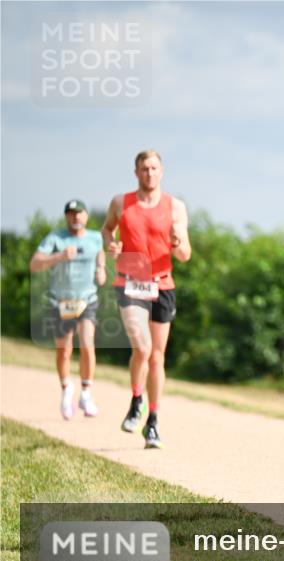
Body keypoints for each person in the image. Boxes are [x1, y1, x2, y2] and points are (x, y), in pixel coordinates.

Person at [102, 150, 191, 448]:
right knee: (142, 347)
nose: (149, 173)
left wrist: (178, 243)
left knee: (157, 356)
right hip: (129, 282)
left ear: (162, 171)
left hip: (162, 285)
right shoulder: (121, 203)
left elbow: (184, 255)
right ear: (136, 172)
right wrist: (111, 246)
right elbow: (107, 230)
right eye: (144, 168)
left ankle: (152, 421)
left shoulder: (175, 207)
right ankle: (136, 399)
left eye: (154, 168)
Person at [30, 200, 107, 419]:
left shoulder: (95, 237)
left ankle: (86, 393)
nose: (75, 218)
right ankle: (66, 390)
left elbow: (100, 252)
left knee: (87, 344)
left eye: (79, 213)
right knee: (64, 350)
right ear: (66, 217)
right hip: (61, 302)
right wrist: (59, 256)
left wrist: (101, 268)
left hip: (87, 300)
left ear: (86, 216)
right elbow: (34, 264)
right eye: (71, 214)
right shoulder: (55, 238)